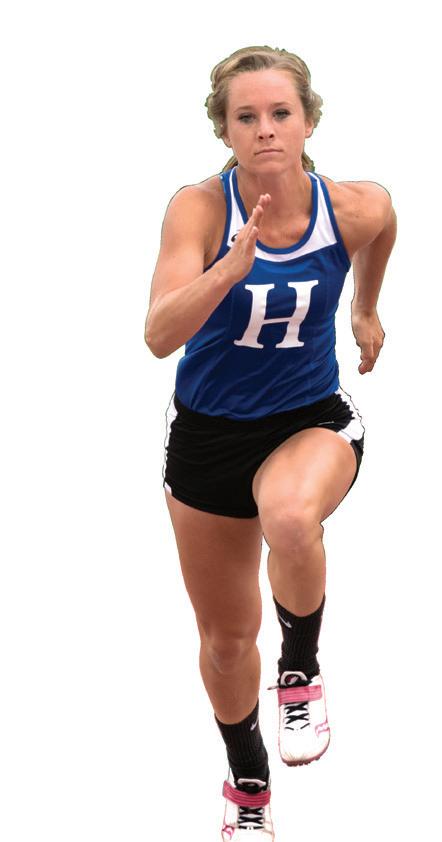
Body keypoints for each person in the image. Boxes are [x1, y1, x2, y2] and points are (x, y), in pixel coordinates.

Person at [144, 45, 397, 840]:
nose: (265, 130)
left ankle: (300, 671)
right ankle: (248, 782)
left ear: (308, 121)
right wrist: (226, 270)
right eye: (246, 116)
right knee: (226, 643)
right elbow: (158, 336)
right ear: (224, 130)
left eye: (280, 113)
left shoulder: (349, 207)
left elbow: (384, 223)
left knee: (289, 516)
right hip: (209, 438)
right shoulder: (198, 210)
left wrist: (365, 309)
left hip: (309, 419)